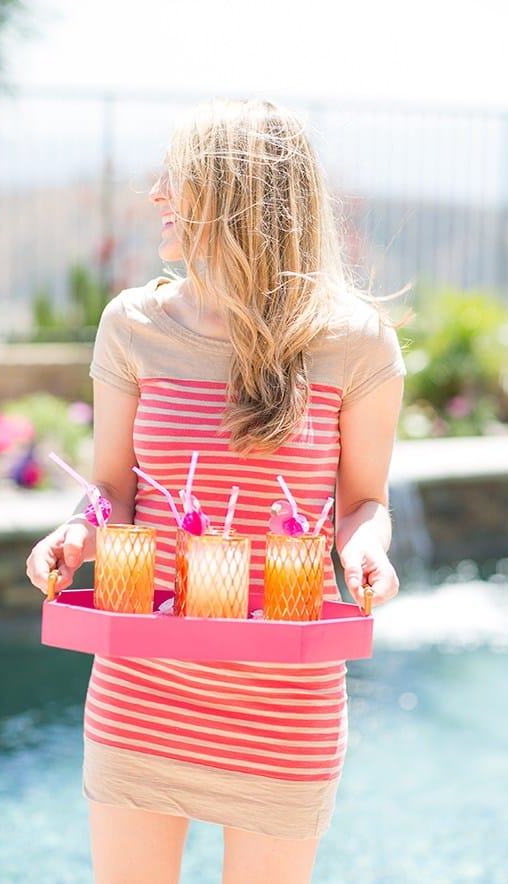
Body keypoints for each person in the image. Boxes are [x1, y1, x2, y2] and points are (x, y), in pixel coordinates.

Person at [26, 98, 406, 884]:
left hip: (283, 705)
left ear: (236, 194)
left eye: (179, 176)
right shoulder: (133, 325)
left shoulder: (358, 341)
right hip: (142, 687)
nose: (157, 192)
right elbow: (108, 492)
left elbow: (365, 504)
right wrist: (76, 532)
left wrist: (366, 547)